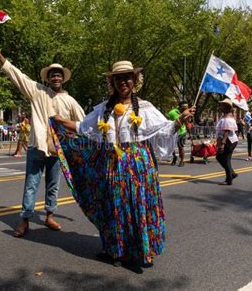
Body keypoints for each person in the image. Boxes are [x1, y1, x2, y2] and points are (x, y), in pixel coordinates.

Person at [51, 61, 195, 268]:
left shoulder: (145, 108)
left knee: (139, 204)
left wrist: (180, 120)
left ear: (135, 81)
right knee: (115, 205)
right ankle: (116, 250)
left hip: (139, 163)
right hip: (111, 163)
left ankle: (143, 251)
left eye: (127, 77)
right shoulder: (103, 110)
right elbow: (82, 127)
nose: (123, 82)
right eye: (118, 78)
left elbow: (163, 131)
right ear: (113, 82)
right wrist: (58, 120)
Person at [0, 48, 85, 237]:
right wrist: (1, 58)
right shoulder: (38, 92)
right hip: (37, 146)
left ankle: (50, 215)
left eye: (58, 75)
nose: (56, 78)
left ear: (62, 79)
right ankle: (25, 220)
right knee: (31, 184)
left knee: (53, 184)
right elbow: (18, 76)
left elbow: (83, 124)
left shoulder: (70, 101)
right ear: (48, 79)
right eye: (52, 75)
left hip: (57, 149)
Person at [215, 99, 239, 186]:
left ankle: (229, 179)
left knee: (225, 159)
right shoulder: (226, 116)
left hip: (229, 140)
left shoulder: (227, 118)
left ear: (226, 107)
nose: (220, 107)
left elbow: (226, 131)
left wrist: (223, 144)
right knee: (220, 157)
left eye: (222, 105)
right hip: (229, 140)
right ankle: (231, 173)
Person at [167, 101, 190, 167]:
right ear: (180, 107)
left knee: (180, 147)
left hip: (181, 132)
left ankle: (182, 161)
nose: (185, 109)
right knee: (171, 147)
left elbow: (186, 123)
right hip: (173, 131)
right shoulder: (172, 113)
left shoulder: (185, 113)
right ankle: (174, 157)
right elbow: (179, 123)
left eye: (186, 108)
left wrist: (190, 133)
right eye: (184, 108)